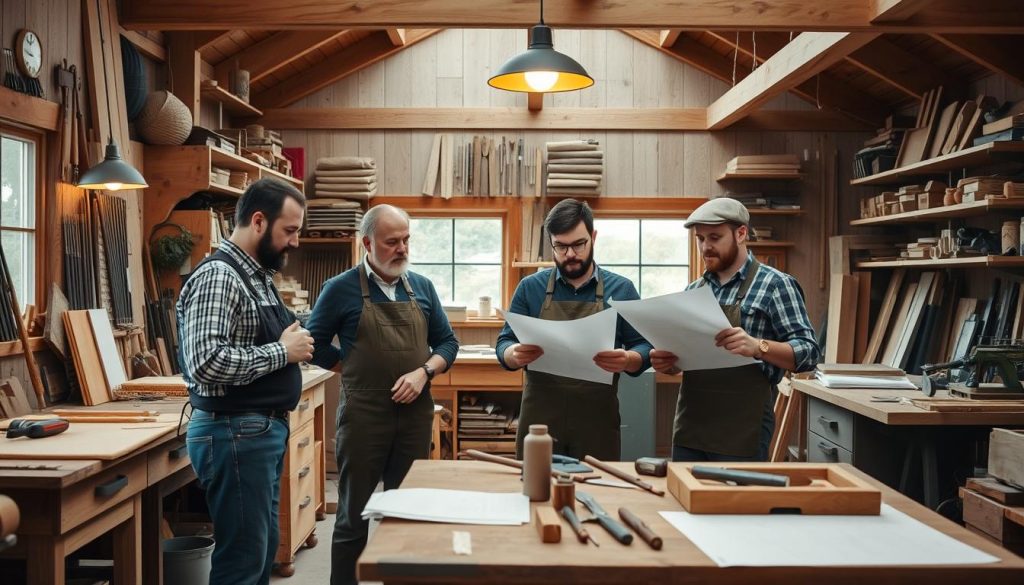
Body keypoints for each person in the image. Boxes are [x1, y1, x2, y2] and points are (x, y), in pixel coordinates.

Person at [305, 204, 459, 585]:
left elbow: (447, 343)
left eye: (406, 240)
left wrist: (425, 372)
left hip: (414, 418)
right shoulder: (339, 289)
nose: (402, 249)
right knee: (353, 517)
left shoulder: (422, 287)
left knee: (405, 514)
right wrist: (351, 367)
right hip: (364, 417)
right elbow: (314, 343)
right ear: (367, 243)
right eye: (392, 242)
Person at [177, 178, 313, 585]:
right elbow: (205, 361)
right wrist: (282, 353)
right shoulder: (221, 276)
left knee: (260, 550)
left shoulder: (257, 275)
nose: (295, 242)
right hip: (235, 433)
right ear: (258, 221)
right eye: (289, 231)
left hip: (257, 432)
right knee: (241, 561)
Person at [650, 197, 820, 462]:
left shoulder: (776, 285)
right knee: (685, 501)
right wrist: (668, 363)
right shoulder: (693, 292)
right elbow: (683, 361)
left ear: (741, 233)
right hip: (691, 429)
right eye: (700, 239)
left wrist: (758, 346)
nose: (705, 247)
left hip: (744, 431)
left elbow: (809, 353)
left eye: (715, 237)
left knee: (739, 503)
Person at [496, 198, 652, 461]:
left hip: (596, 420)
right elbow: (504, 342)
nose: (570, 254)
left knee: (598, 488)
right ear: (551, 244)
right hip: (540, 418)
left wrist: (629, 359)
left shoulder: (621, 289)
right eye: (561, 246)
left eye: (578, 244)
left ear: (593, 237)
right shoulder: (529, 288)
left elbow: (646, 346)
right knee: (536, 491)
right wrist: (513, 354)